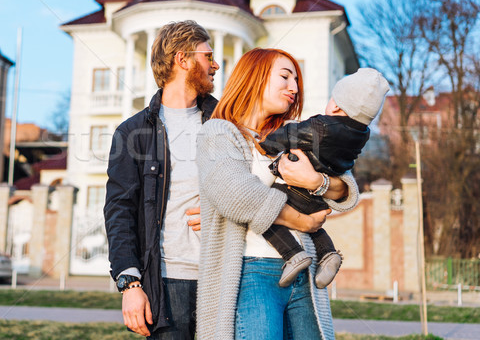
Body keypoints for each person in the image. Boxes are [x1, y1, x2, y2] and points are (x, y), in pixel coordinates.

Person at [196, 48, 360, 340]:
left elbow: (346, 187)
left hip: (305, 276)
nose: (294, 88)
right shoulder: (220, 133)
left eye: (296, 81)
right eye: (285, 77)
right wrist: (302, 222)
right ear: (254, 77)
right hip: (252, 272)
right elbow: (236, 195)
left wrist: (315, 181)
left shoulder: (291, 133)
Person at [104, 20, 219, 339]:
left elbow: (252, 190)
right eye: (208, 56)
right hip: (167, 286)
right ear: (183, 59)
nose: (216, 64)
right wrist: (130, 283)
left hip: (225, 279)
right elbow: (119, 212)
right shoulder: (132, 133)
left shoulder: (227, 122)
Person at [258, 68, 390, 289]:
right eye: (285, 77)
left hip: (293, 190)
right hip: (317, 199)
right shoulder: (361, 135)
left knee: (263, 209)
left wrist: (266, 145)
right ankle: (328, 252)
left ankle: (293, 254)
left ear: (336, 105)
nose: (294, 86)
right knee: (314, 224)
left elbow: (291, 134)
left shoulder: (321, 126)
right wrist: (321, 184)